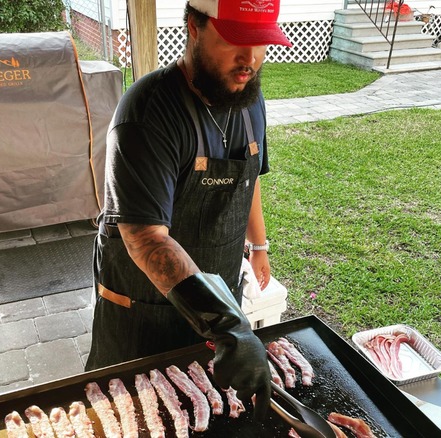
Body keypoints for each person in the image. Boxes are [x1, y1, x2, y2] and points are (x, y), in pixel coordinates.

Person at [85, 0, 292, 422]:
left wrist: (259, 245)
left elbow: (248, 178)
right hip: (143, 311)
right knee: (133, 415)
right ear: (194, 27)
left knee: (207, 414)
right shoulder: (147, 114)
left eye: (260, 42)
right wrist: (227, 324)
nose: (249, 59)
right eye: (235, 40)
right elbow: (146, 238)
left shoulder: (249, 98)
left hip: (217, 295)